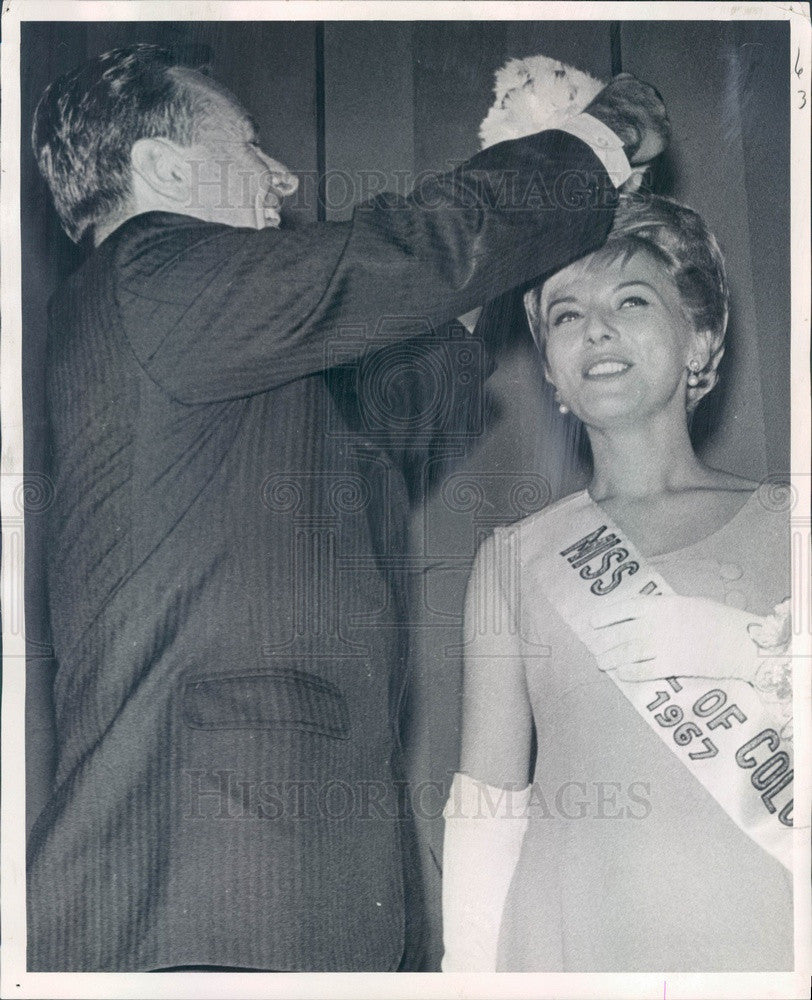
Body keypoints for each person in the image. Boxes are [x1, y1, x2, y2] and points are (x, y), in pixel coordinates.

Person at [26, 43, 669, 971]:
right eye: (249, 147)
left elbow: (393, 415)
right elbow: (392, 256)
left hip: (265, 885)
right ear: (164, 169)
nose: (281, 174)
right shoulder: (149, 271)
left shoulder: (214, 343)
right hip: (211, 889)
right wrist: (592, 143)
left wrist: (485, 273)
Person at [442, 194, 794, 972]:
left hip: (761, 934)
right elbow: (486, 815)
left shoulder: (795, 528)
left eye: (630, 301)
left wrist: (754, 656)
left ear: (701, 338)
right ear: (552, 373)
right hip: (574, 947)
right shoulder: (512, 561)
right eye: (566, 316)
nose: (595, 327)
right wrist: (465, 976)